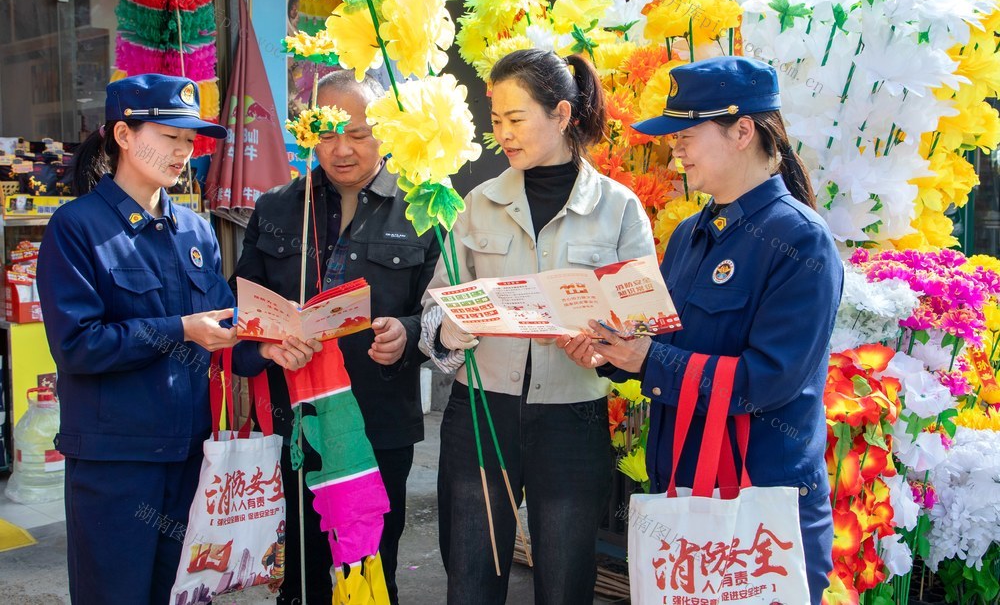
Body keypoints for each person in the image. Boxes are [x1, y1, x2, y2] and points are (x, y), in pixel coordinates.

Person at [557, 56, 843, 603]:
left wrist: (650, 361)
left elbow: (770, 381)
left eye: (687, 134)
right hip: (682, 495)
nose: (675, 149)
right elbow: (662, 344)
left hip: (759, 507)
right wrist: (610, 353)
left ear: (742, 131)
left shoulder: (801, 240)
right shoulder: (691, 233)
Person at [36, 74, 319, 605]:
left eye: (190, 141)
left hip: (191, 455)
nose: (184, 152)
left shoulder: (195, 231)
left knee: (183, 594)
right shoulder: (77, 228)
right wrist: (180, 330)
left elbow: (222, 322)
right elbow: (78, 344)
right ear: (123, 134)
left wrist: (263, 345)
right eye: (170, 137)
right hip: (116, 463)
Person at [419, 48, 656, 605]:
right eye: (496, 120)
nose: (503, 133)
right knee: (472, 573)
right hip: (480, 411)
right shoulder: (477, 204)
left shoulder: (618, 209)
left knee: (565, 578)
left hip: (572, 418)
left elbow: (644, 324)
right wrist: (452, 331)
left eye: (517, 119)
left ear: (563, 115)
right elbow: (433, 311)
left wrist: (604, 347)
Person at [232, 69, 440, 605]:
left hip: (380, 422)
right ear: (308, 132)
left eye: (359, 134)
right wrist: (265, 344)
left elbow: (445, 312)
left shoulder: (424, 206)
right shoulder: (278, 206)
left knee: (370, 566)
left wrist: (409, 333)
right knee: (300, 568)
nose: (341, 149)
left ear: (387, 131)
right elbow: (240, 310)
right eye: (326, 133)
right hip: (295, 422)